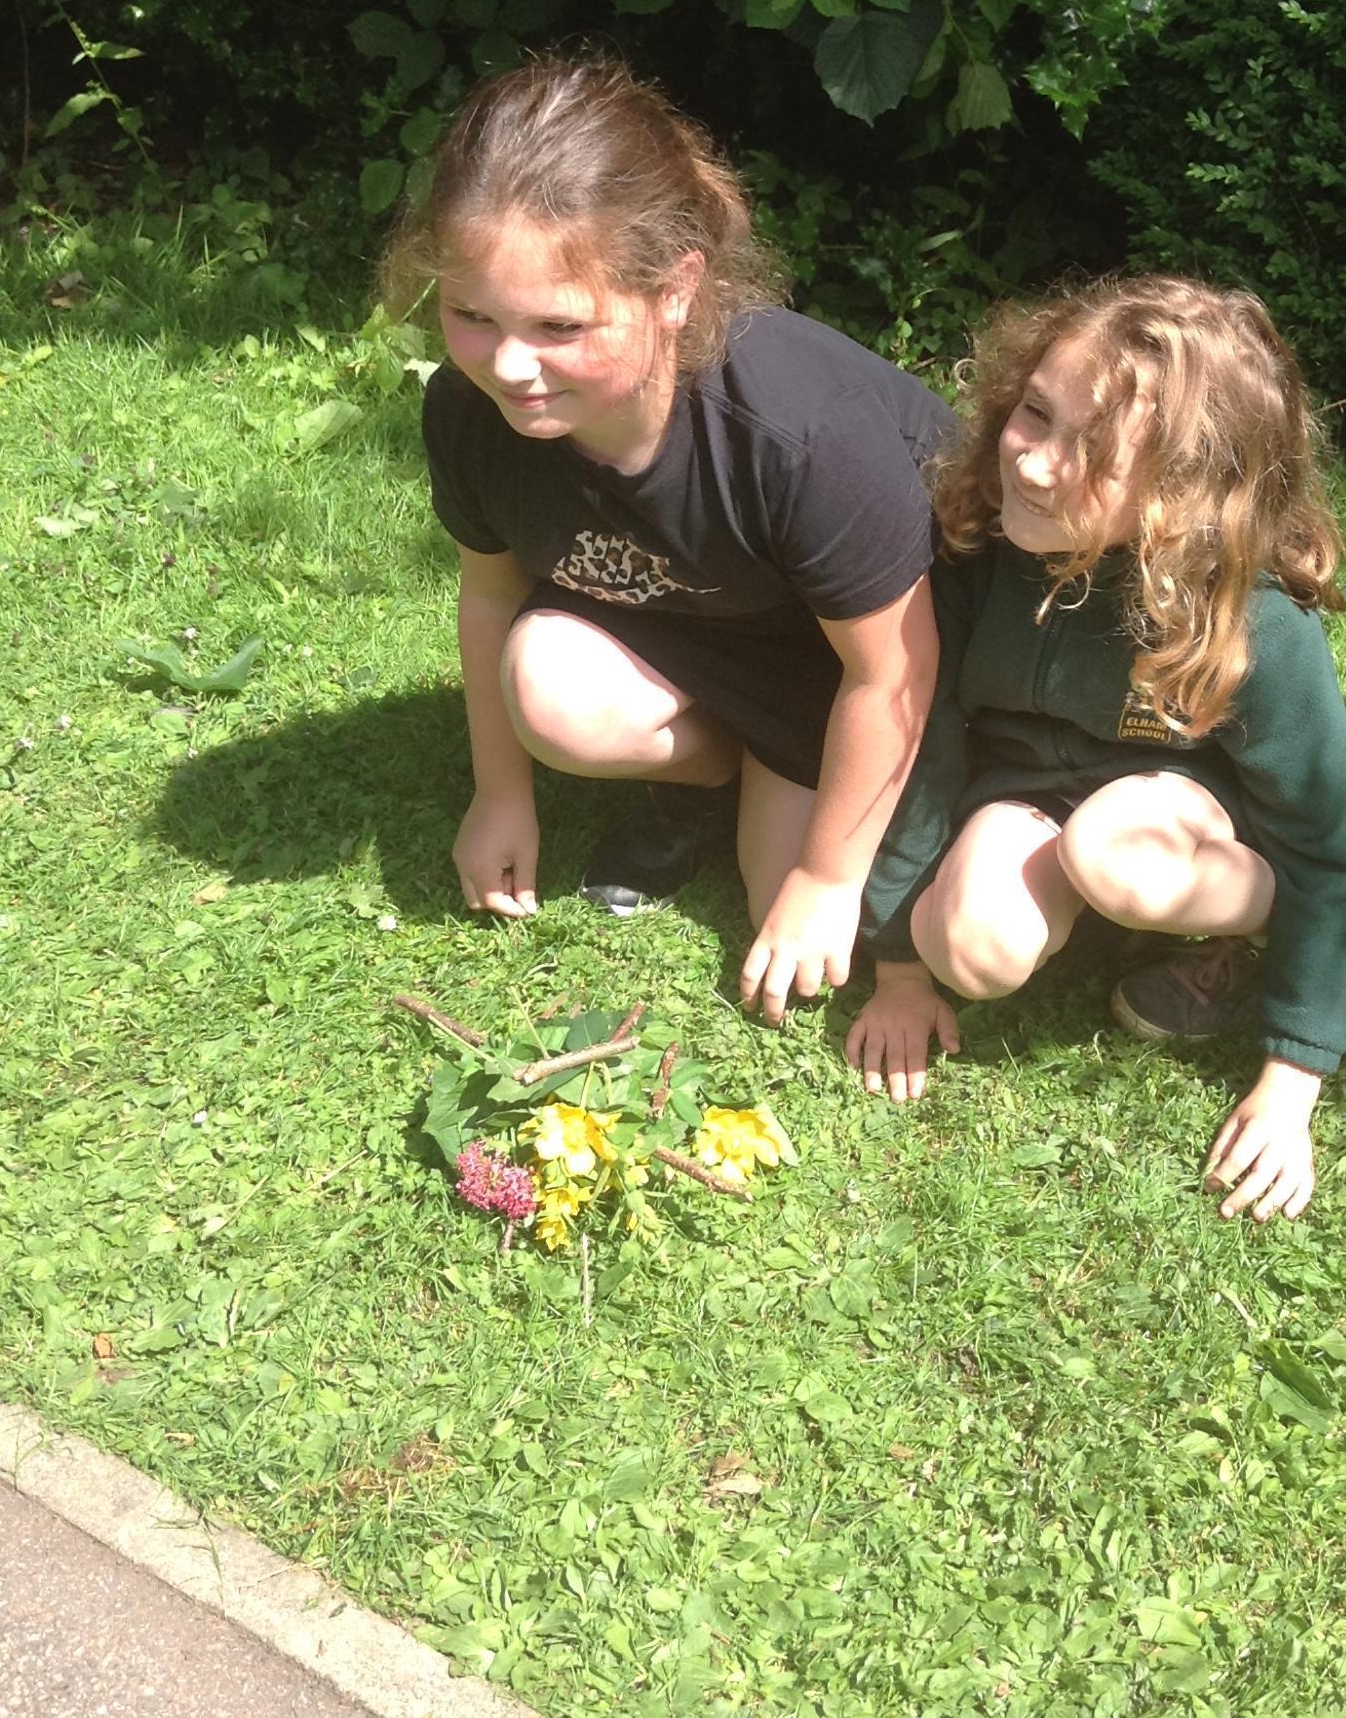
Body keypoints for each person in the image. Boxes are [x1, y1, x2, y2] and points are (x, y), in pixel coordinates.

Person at [386, 53, 950, 1023]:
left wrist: (826, 877)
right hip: (699, 633)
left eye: (559, 326)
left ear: (676, 289)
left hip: (844, 673)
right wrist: (501, 795)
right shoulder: (468, 412)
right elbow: (490, 593)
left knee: (810, 929)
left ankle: (774, 779)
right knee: (548, 688)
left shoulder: (801, 435)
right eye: (470, 315)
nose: (509, 365)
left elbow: (892, 672)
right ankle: (710, 775)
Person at [845, 276, 1346, 1221]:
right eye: (1035, 413)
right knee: (967, 947)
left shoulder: (1250, 620)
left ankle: (1244, 931)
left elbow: (1330, 846)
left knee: (1114, 851)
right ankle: (1105, 927)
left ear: (1183, 494)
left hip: (1174, 818)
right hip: (1026, 798)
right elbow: (924, 740)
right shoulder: (979, 547)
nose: (1036, 462)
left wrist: (1291, 1082)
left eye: (1092, 454)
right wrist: (897, 968)